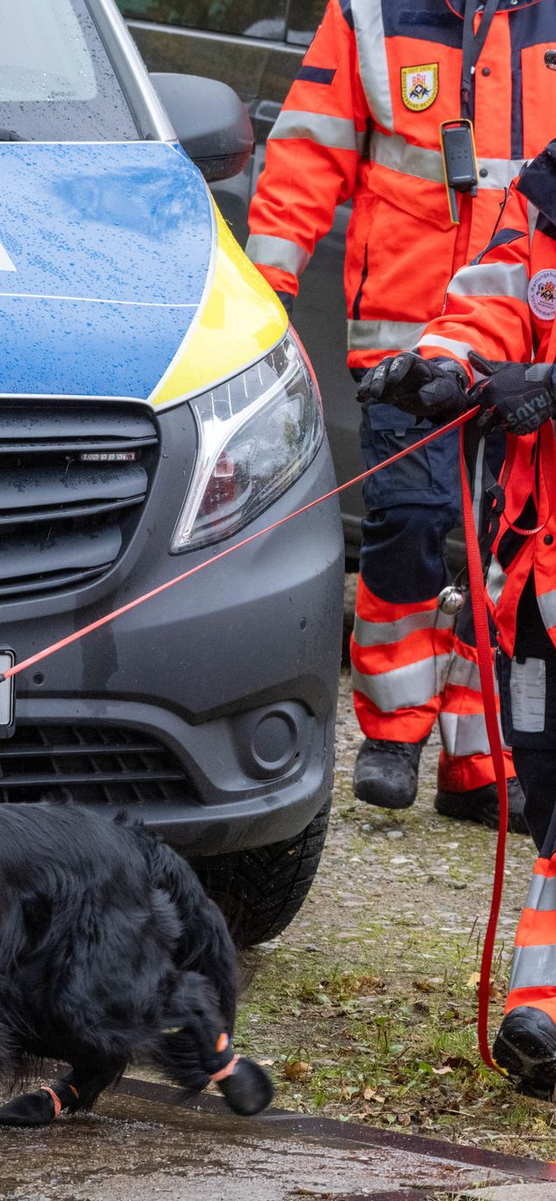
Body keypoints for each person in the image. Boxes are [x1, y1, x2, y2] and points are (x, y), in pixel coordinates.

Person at [245, 0, 556, 828]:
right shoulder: (372, 15)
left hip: (523, 343)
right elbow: (308, 153)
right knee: (412, 520)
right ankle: (393, 732)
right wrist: (263, 300)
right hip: (405, 346)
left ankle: (480, 760)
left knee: (505, 552)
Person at [357, 139, 556, 1094]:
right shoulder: (549, 189)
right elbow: (495, 295)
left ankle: (541, 1012)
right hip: (541, 574)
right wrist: (441, 366)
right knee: (548, 785)